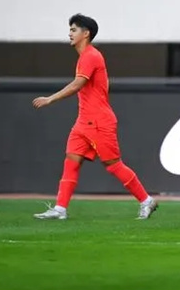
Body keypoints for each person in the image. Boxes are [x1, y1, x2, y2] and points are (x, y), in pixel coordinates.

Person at [33, 14, 157, 220]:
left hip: (98, 122)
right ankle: (60, 209)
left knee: (113, 165)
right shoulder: (86, 57)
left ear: (86, 33)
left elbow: (77, 84)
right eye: (70, 30)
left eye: (73, 30)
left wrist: (50, 99)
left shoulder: (91, 56)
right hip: (84, 121)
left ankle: (146, 200)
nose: (69, 33)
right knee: (71, 161)